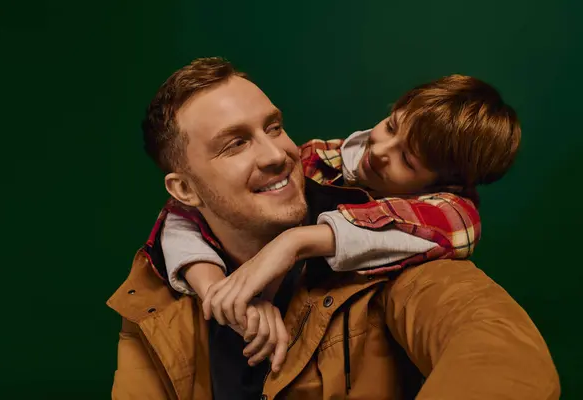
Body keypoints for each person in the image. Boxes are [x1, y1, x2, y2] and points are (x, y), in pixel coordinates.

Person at [107, 57, 560, 399]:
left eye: (274, 127)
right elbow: (177, 220)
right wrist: (219, 292)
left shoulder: (404, 255)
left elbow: (500, 354)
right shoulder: (156, 291)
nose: (276, 154)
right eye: (236, 143)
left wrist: (296, 242)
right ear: (184, 188)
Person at [161, 75, 519, 366]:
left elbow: (458, 225)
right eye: (391, 127)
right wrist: (215, 289)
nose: (378, 152)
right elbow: (185, 209)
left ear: (444, 183)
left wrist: (294, 243)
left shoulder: (449, 213)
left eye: (407, 161)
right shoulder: (323, 158)